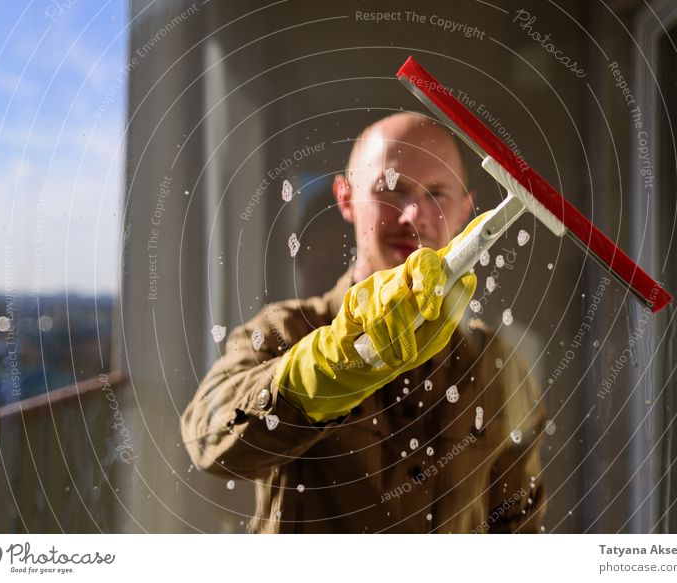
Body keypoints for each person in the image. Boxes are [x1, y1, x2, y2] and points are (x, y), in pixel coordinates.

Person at [181, 112, 546, 533]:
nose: (412, 215)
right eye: (391, 188)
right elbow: (207, 440)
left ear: (465, 209)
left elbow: (519, 523)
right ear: (346, 197)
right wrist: (328, 366)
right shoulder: (286, 329)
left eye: (437, 194)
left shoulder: (498, 365)